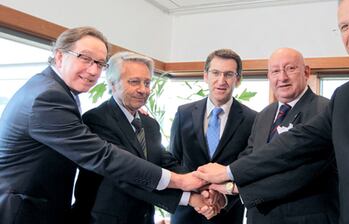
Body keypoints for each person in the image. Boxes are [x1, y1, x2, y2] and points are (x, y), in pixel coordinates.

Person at [196, 0, 349, 223]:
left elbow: (304, 170)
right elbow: (294, 144)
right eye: (344, 26)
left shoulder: (324, 105)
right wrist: (228, 173)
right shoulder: (346, 97)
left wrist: (232, 184)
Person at [0, 27, 205, 224]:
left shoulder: (55, 90)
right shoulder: (49, 97)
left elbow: (161, 158)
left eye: (99, 63)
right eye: (85, 58)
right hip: (25, 211)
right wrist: (181, 184)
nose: (93, 70)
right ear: (60, 56)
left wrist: (200, 183)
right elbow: (104, 157)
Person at [71, 51, 224, 224]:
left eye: (147, 82)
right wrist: (188, 198)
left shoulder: (149, 124)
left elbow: (166, 162)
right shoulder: (96, 119)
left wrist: (204, 186)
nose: (143, 90)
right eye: (134, 82)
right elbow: (126, 176)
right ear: (113, 84)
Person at [210, 48, 339, 224]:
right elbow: (250, 158)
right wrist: (221, 194)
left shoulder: (324, 111)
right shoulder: (264, 115)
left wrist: (232, 187)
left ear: (306, 72)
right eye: (275, 71)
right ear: (268, 76)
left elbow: (303, 172)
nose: (282, 77)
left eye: (290, 69)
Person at [169, 49, 257, 224]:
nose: (221, 81)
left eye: (229, 74)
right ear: (205, 76)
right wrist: (197, 196)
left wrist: (221, 199)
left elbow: (247, 168)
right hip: (186, 213)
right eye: (215, 73)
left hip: (227, 214)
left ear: (238, 79)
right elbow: (173, 161)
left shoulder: (253, 119)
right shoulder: (184, 113)